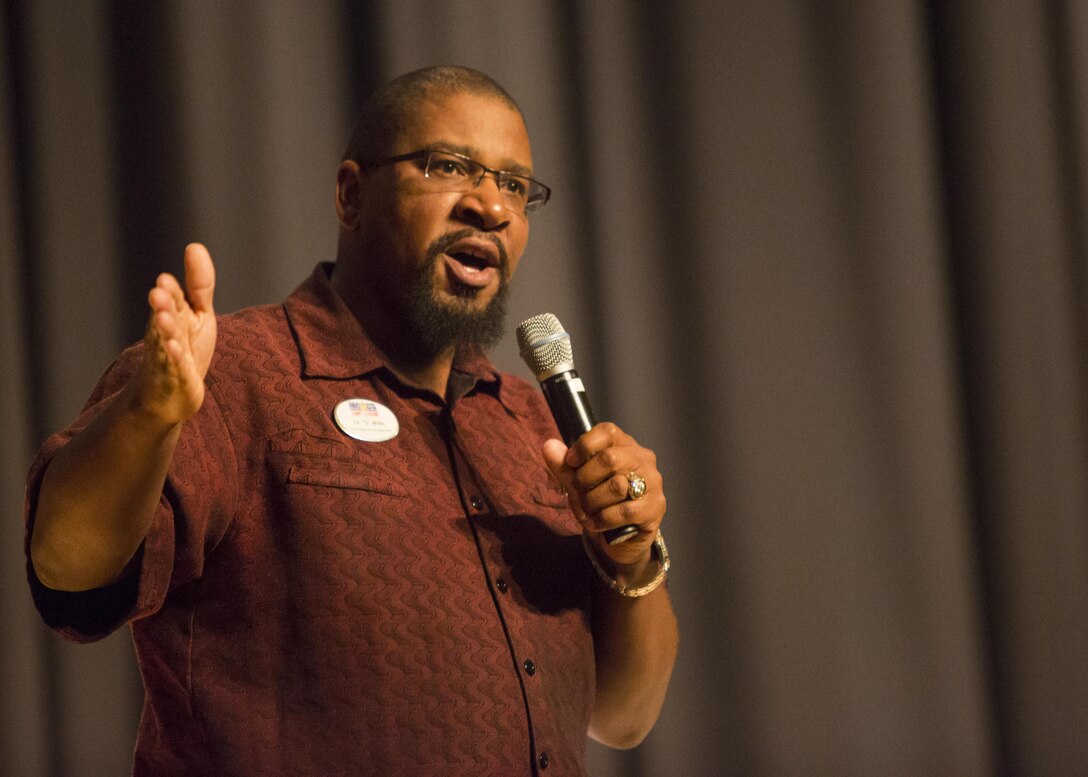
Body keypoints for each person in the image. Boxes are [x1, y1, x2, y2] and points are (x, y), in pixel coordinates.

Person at [24, 65, 678, 776]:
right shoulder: (232, 374)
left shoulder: (532, 426)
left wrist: (631, 553)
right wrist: (148, 416)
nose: (491, 206)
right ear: (351, 193)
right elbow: (69, 572)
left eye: (516, 185)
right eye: (450, 166)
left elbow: (624, 713)